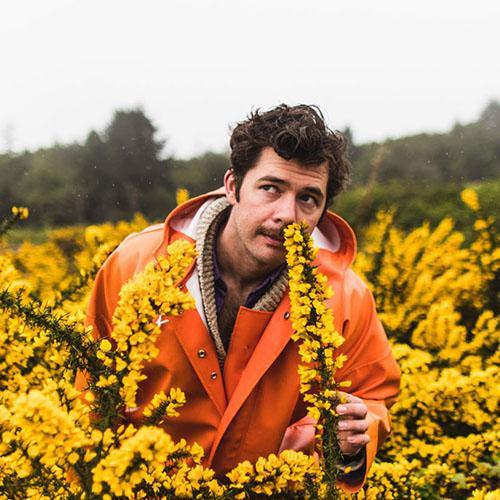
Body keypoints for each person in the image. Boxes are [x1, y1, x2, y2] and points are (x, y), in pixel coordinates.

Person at [82, 104, 400, 492]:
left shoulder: (347, 299)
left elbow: (372, 400)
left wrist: (353, 439)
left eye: (308, 199)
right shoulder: (137, 264)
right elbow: (89, 389)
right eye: (271, 188)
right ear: (233, 186)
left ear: (322, 211)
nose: (287, 214)